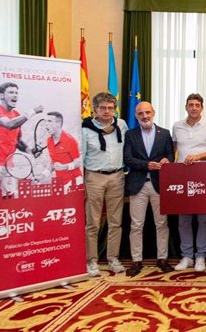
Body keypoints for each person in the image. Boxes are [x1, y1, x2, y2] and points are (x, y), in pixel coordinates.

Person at [123, 101, 175, 277]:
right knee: (136, 225)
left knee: (161, 224)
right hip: (138, 185)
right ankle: (136, 261)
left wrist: (168, 161)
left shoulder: (165, 133)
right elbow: (127, 159)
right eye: (140, 114)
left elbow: (170, 155)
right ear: (136, 116)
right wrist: (146, 165)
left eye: (147, 112)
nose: (144, 116)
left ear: (153, 112)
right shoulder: (130, 134)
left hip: (159, 185)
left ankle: (162, 259)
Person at [172, 93, 206, 272]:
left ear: (202, 108)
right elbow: (174, 150)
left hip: (203, 177)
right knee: (183, 218)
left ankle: (201, 256)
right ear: (186, 107)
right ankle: (187, 256)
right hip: (181, 177)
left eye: (197, 105)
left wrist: (197, 157)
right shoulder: (177, 126)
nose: (193, 108)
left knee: (203, 218)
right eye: (190, 104)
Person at [82, 92, 128, 277]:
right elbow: (81, 157)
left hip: (117, 176)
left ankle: (112, 258)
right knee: (92, 222)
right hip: (94, 177)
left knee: (116, 221)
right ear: (95, 109)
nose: (107, 111)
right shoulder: (85, 129)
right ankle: (91, 261)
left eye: (110, 108)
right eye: (103, 108)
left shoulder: (121, 125)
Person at [0, 82, 43, 199]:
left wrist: (30, 150)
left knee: (10, 198)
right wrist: (32, 112)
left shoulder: (17, 115)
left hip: (9, 165)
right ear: (2, 95)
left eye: (16, 93)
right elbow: (10, 124)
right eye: (11, 92)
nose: (15, 95)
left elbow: (17, 141)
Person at [45, 111, 82, 192]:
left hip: (75, 182)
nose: (46, 124)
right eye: (46, 121)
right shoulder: (49, 141)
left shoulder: (70, 140)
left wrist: (64, 167)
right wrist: (45, 174)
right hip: (60, 183)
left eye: (49, 121)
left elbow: (78, 162)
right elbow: (53, 162)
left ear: (58, 123)